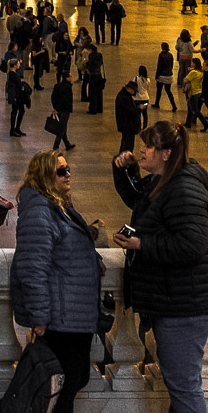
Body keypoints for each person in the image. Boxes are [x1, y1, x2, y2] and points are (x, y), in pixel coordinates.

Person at [113, 122, 208, 413]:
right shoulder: (163, 179)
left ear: (166, 153)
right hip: (173, 302)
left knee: (184, 388)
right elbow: (138, 200)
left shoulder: (183, 186)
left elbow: (193, 244)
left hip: (183, 307)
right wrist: (125, 169)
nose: (142, 149)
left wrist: (142, 244)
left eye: (149, 146)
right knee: (180, 387)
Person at [11, 150, 102, 413]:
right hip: (60, 319)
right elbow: (32, 268)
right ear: (44, 177)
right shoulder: (39, 211)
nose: (68, 174)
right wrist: (40, 317)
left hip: (74, 315)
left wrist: (91, 258)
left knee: (71, 382)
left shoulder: (58, 206)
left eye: (68, 168)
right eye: (61, 171)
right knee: (60, 390)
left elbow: (66, 246)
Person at [115, 79, 143, 153]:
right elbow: (130, 111)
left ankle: (121, 159)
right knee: (128, 145)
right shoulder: (124, 98)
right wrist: (139, 108)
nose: (134, 93)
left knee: (125, 143)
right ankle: (125, 160)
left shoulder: (123, 95)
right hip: (127, 126)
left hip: (126, 125)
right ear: (130, 89)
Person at [50, 70, 76, 151]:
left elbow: (53, 97)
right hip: (64, 110)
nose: (71, 78)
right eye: (70, 76)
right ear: (67, 78)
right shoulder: (67, 88)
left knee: (63, 127)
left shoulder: (57, 85)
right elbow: (65, 100)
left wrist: (55, 107)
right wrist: (58, 108)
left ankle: (67, 144)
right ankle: (55, 146)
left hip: (58, 109)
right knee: (62, 129)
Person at [6, 58, 28, 137]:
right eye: (18, 64)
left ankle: (16, 128)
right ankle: (14, 129)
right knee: (16, 111)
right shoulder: (14, 74)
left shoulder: (11, 73)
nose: (19, 65)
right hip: (16, 96)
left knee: (19, 110)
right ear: (15, 65)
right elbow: (19, 85)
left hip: (15, 95)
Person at [153, 42, 177, 110]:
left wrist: (157, 75)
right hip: (169, 75)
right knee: (168, 91)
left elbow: (159, 66)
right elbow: (171, 65)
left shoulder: (161, 55)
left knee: (159, 90)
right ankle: (174, 105)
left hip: (162, 76)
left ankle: (157, 103)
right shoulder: (170, 55)